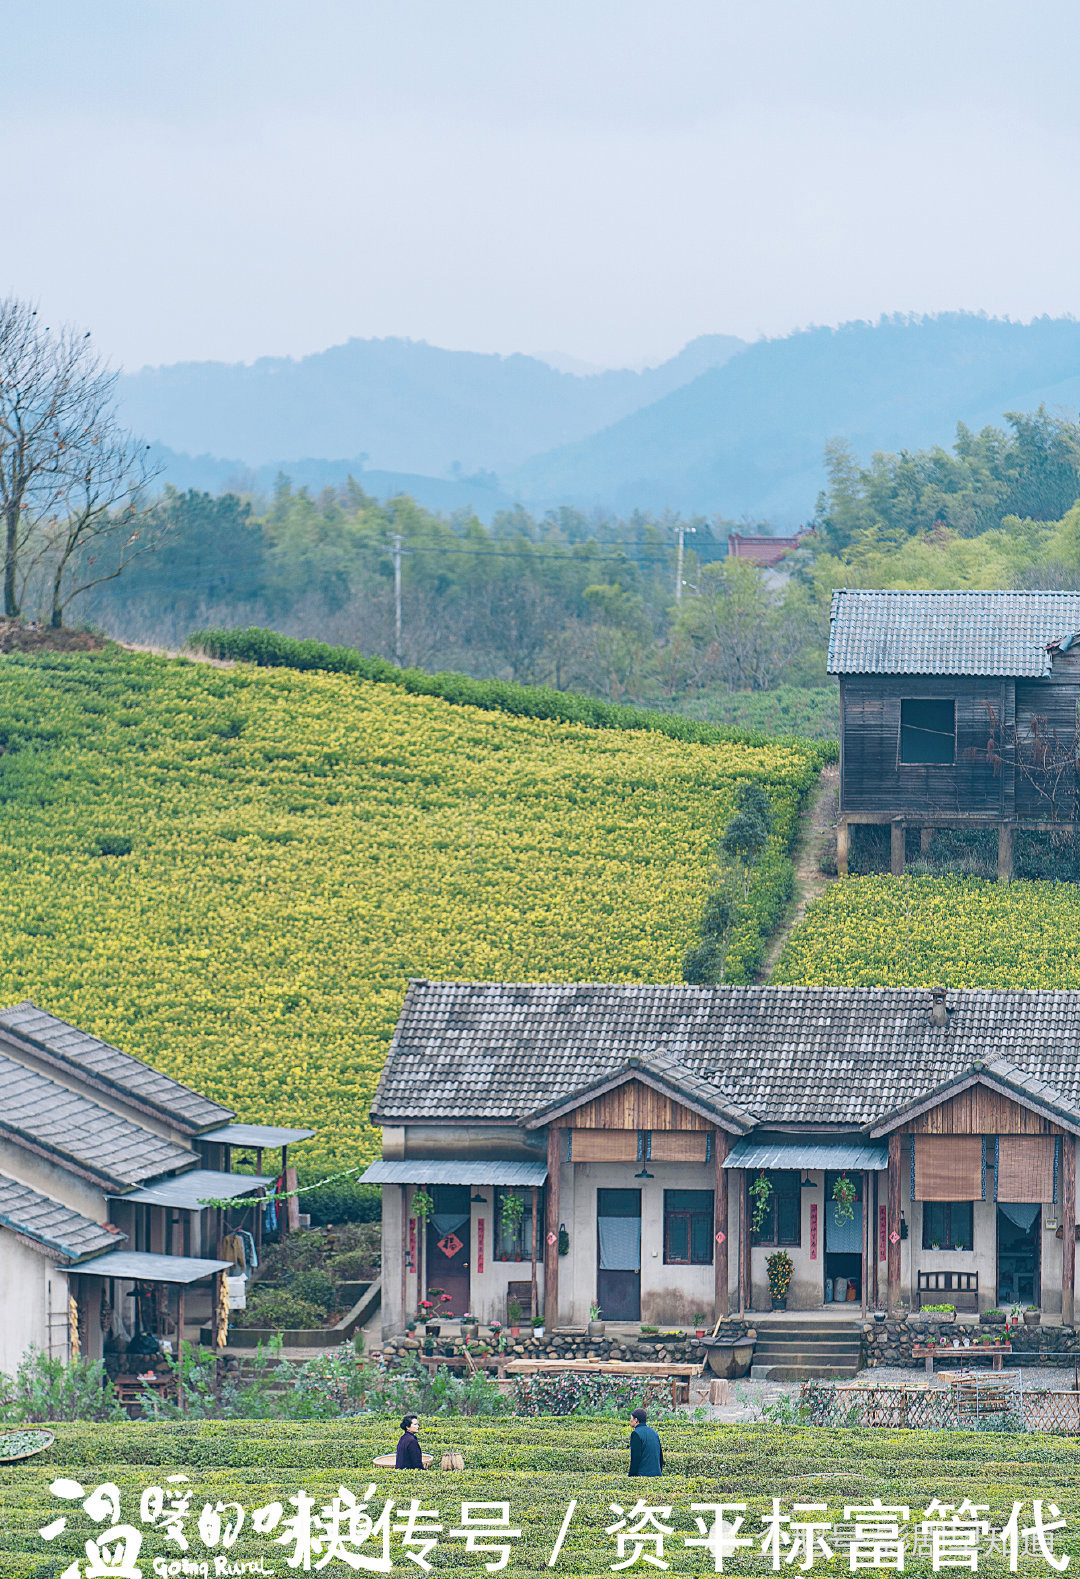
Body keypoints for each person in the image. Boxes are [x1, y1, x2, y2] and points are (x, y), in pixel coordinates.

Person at [628, 1406, 663, 1477]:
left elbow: (635, 1458)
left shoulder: (636, 1434)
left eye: (631, 1418)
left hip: (643, 1476)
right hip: (657, 1475)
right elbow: (660, 1457)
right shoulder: (654, 1432)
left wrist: (631, 1476)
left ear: (636, 1420)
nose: (630, 1420)